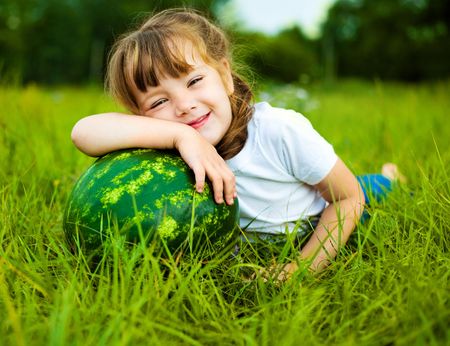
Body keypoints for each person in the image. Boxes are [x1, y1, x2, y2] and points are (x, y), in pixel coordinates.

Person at [71, 8, 399, 278]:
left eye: (195, 81)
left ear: (225, 76)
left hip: (317, 219)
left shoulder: (279, 131)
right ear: (140, 117)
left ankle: (390, 176)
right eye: (158, 102)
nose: (183, 105)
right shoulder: (169, 143)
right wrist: (182, 136)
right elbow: (82, 133)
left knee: (370, 189)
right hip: (254, 243)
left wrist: (302, 267)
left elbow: (346, 198)